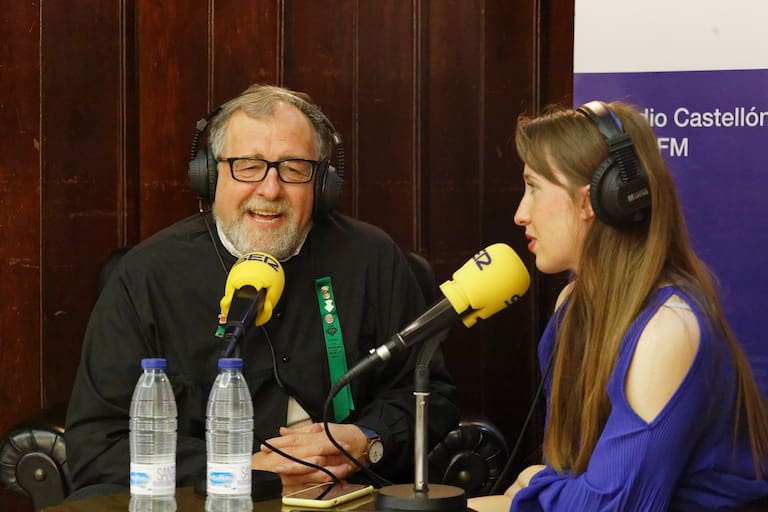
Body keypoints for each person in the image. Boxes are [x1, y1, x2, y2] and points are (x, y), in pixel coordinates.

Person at [64, 84, 459, 493]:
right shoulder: (146, 276)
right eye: (248, 166)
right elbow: (98, 446)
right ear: (210, 175)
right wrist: (241, 468)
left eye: (294, 168)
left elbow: (432, 398)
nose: (270, 190)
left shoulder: (371, 258)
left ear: (322, 184)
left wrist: (369, 439)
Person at [469, 101, 768, 511]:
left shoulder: (669, 329)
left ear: (595, 201)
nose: (521, 214)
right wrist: (541, 486)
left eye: (534, 187)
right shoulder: (573, 304)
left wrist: (532, 489)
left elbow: (610, 505)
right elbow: (572, 471)